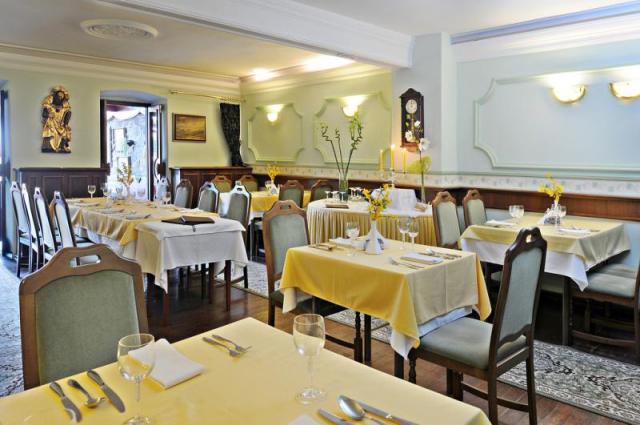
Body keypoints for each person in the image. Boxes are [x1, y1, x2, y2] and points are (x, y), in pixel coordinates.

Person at [41, 86, 71, 153]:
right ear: (55, 96)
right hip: (51, 123)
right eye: (58, 96)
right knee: (52, 133)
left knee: (64, 132)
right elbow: (44, 114)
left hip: (60, 124)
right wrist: (48, 115)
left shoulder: (64, 107)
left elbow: (68, 113)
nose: (59, 98)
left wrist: (66, 124)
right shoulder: (49, 105)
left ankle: (62, 146)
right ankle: (50, 147)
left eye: (61, 97)